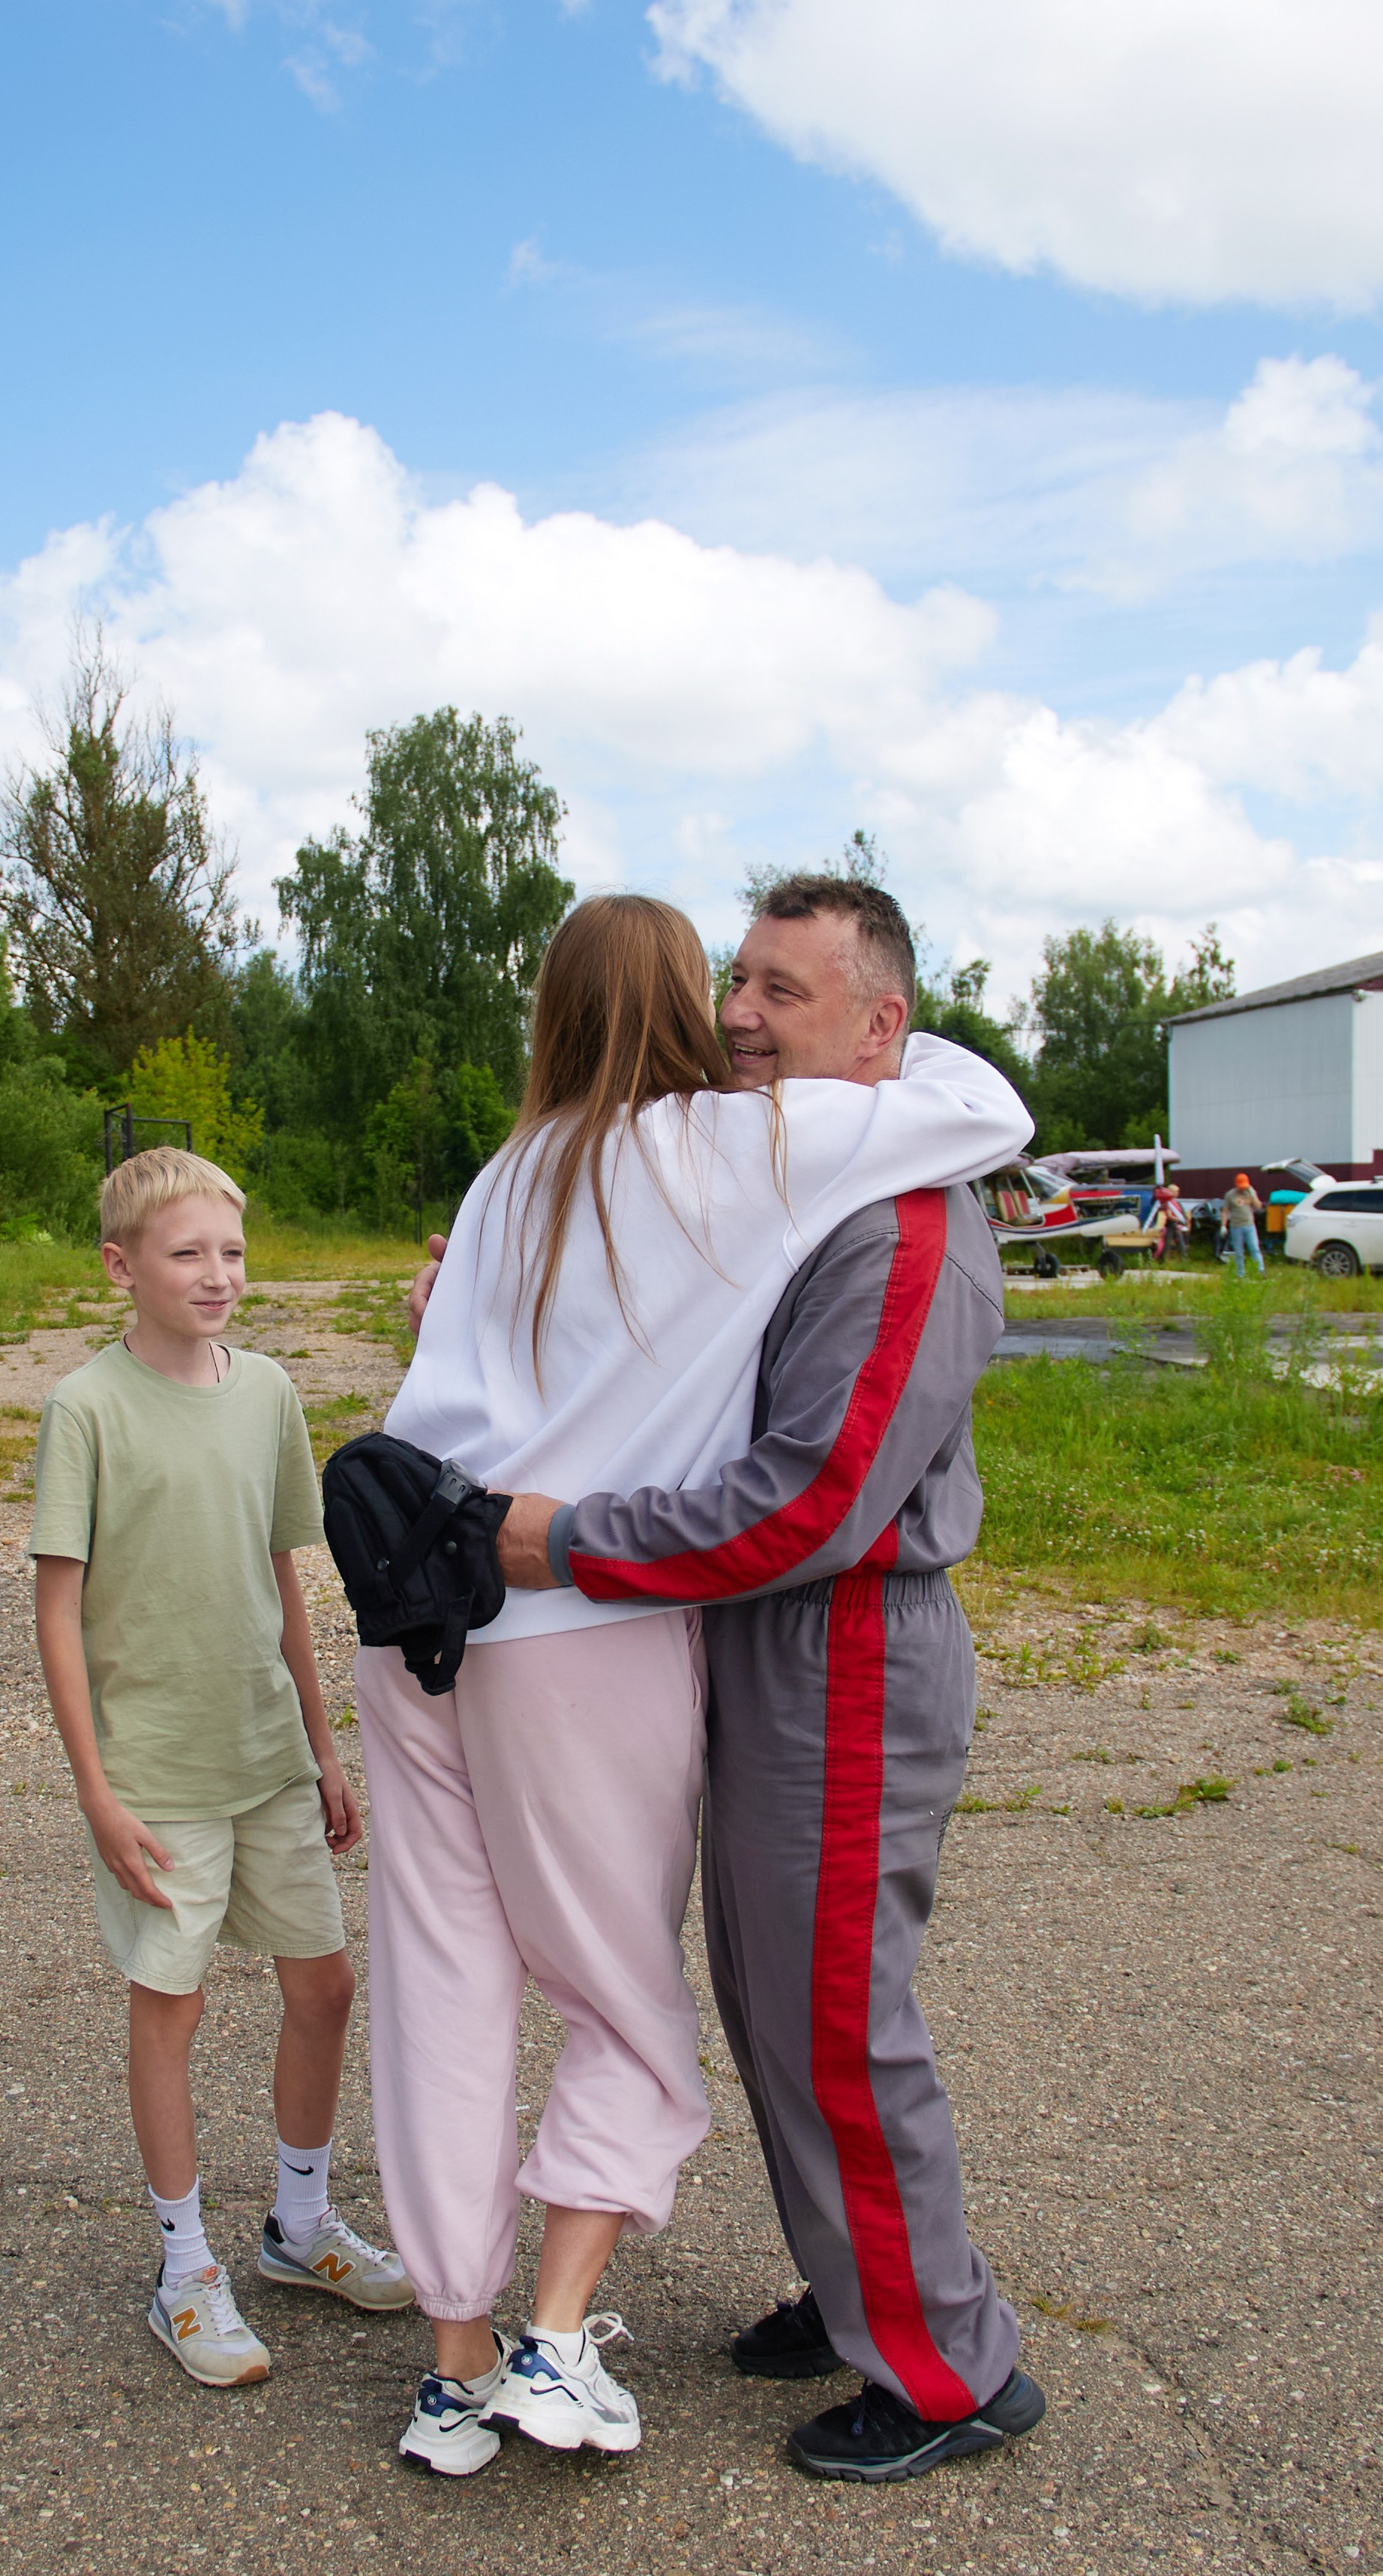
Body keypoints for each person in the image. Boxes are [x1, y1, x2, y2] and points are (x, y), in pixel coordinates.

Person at [369, 892, 1032, 2478]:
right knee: (767, 1996)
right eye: (731, 980)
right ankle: (857, 2281)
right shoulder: (783, 1181)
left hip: (840, 1638)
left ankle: (941, 2367)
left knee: (831, 2016)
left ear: (879, 1028)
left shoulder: (901, 1216)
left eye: (781, 994)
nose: (738, 1016)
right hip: (717, 1622)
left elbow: (813, 1501)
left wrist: (562, 1535)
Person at [29, 1145, 412, 2394]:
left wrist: (321, 1746)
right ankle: (185, 2267)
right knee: (173, 2006)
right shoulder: (86, 1408)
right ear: (120, 1264)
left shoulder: (270, 1398)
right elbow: (58, 1612)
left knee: (326, 1986)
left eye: (232, 1252)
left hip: (266, 1758)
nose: (216, 1275)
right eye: (187, 1252)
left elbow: (286, 1582)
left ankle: (299, 2227)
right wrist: (96, 1789)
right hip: (157, 1777)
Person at [1221, 1172, 1264, 1273]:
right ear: (1236, 1184)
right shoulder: (1230, 1195)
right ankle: (1240, 1273)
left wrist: (1253, 1196)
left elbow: (1258, 1207)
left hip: (1249, 1225)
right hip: (1236, 1226)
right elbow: (1225, 1211)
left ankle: (1260, 1271)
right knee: (1239, 1252)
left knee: (1254, 1248)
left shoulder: (1250, 1192)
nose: (1243, 1188)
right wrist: (1223, 1225)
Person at [1144, 1181, 1190, 1261]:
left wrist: (1184, 1220)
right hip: (1171, 1225)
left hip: (1176, 1225)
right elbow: (1169, 1215)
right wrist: (1180, 1220)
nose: (1178, 1193)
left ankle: (1170, 1258)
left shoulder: (1177, 1203)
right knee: (1170, 1242)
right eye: (1176, 1191)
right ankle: (1168, 1258)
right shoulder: (1168, 1202)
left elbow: (1182, 1213)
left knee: (1175, 1242)